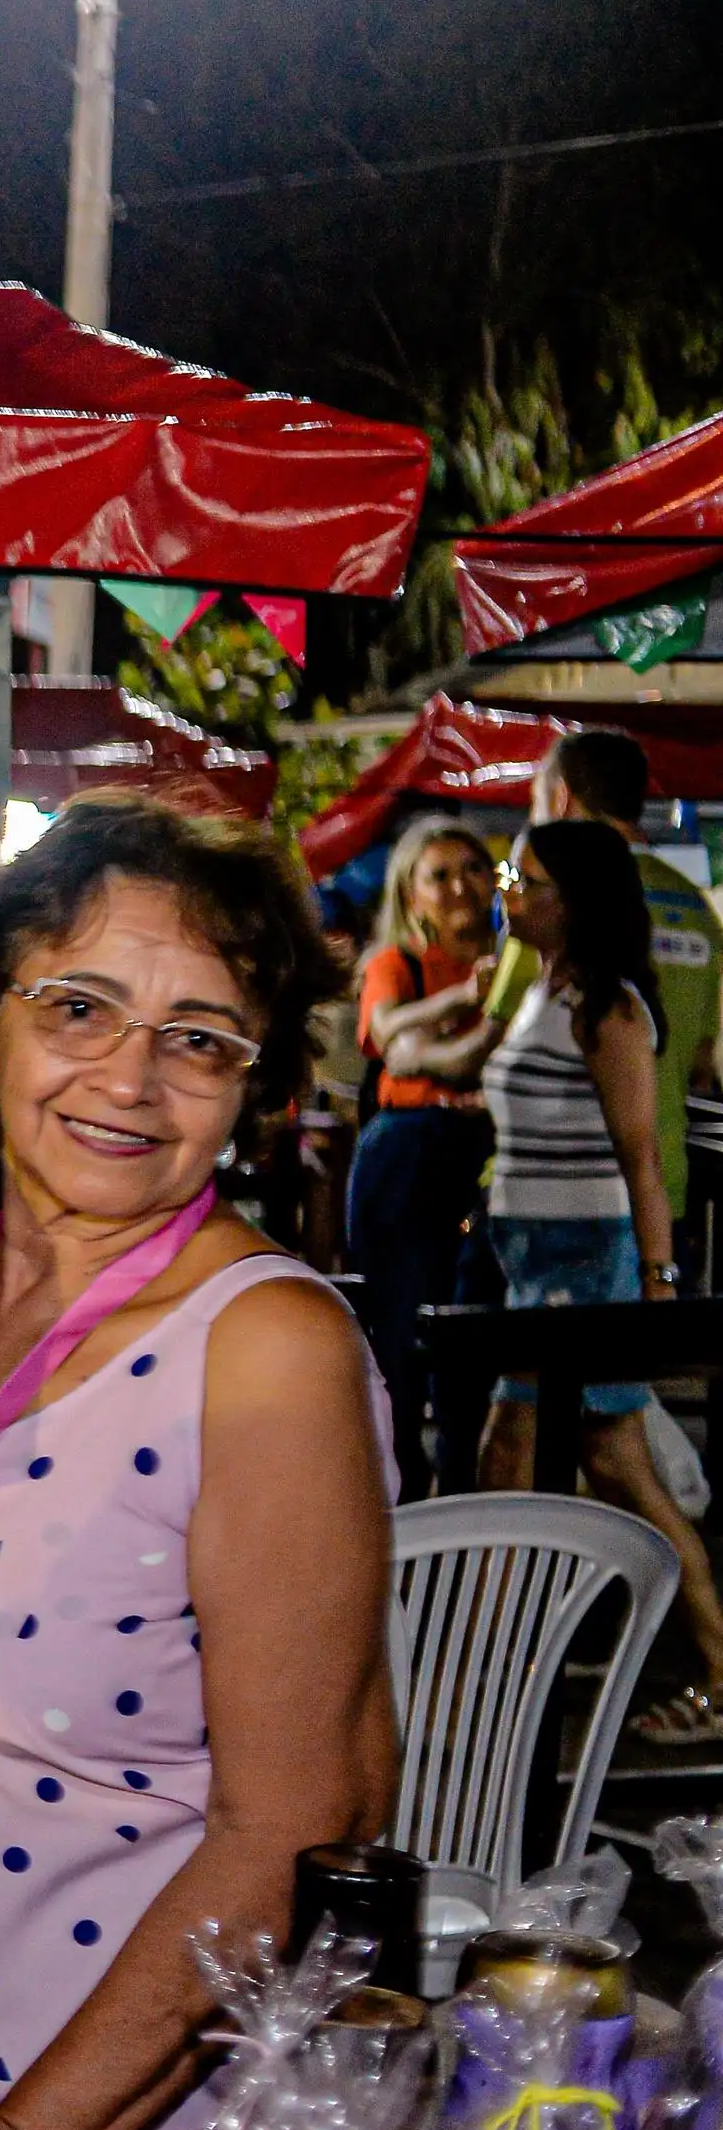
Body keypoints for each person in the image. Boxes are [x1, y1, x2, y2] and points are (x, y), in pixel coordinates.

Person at [0, 797, 394, 2130]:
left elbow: (300, 1817)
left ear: (253, 1087)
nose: (131, 1076)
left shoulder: (265, 1349)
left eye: (198, 1036)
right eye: (79, 1006)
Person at [478, 816, 723, 1736]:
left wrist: (656, 1287)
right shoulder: (552, 988)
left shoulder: (608, 1006)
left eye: (523, 877)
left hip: (585, 1268)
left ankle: (496, 1667)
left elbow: (642, 1156)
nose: (507, 889)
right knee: (572, 1459)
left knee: (548, 1459)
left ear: (569, 901)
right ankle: (506, 1660)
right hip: (538, 1262)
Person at [485, 727, 721, 1259]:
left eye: (535, 799)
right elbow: (701, 1062)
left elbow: (494, 1037)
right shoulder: (699, 911)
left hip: (556, 1201)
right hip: (668, 1189)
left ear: (562, 796)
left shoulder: (557, 909)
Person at [344, 815, 504, 1489]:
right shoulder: (397, 964)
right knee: (402, 1321)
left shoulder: (519, 959)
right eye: (439, 876)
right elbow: (387, 1037)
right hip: (408, 1157)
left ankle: (461, 1480)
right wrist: (467, 1008)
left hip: (487, 1159)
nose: (460, 886)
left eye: (473, 870)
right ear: (411, 896)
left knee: (477, 1324)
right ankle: (402, 1484)